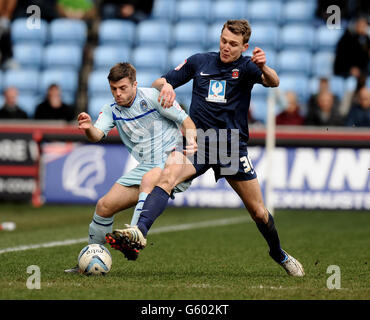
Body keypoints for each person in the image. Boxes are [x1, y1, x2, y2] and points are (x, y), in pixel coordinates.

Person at [108, 20, 305, 277]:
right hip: (197, 140)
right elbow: (159, 82)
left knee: (258, 211)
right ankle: (140, 232)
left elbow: (274, 82)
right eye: (224, 40)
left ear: (244, 47)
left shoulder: (246, 67)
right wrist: (166, 85)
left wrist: (263, 66)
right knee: (167, 175)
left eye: (233, 44)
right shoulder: (200, 61)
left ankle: (278, 253)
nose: (226, 47)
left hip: (229, 146)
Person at [64, 62, 197, 272]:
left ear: (135, 84)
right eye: (113, 89)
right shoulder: (111, 110)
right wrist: (88, 128)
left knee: (149, 179)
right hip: (146, 166)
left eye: (123, 88)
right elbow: (97, 135)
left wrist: (190, 143)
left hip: (172, 160)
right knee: (104, 206)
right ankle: (92, 258)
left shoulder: (154, 97)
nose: (118, 93)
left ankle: (135, 236)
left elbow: (187, 122)